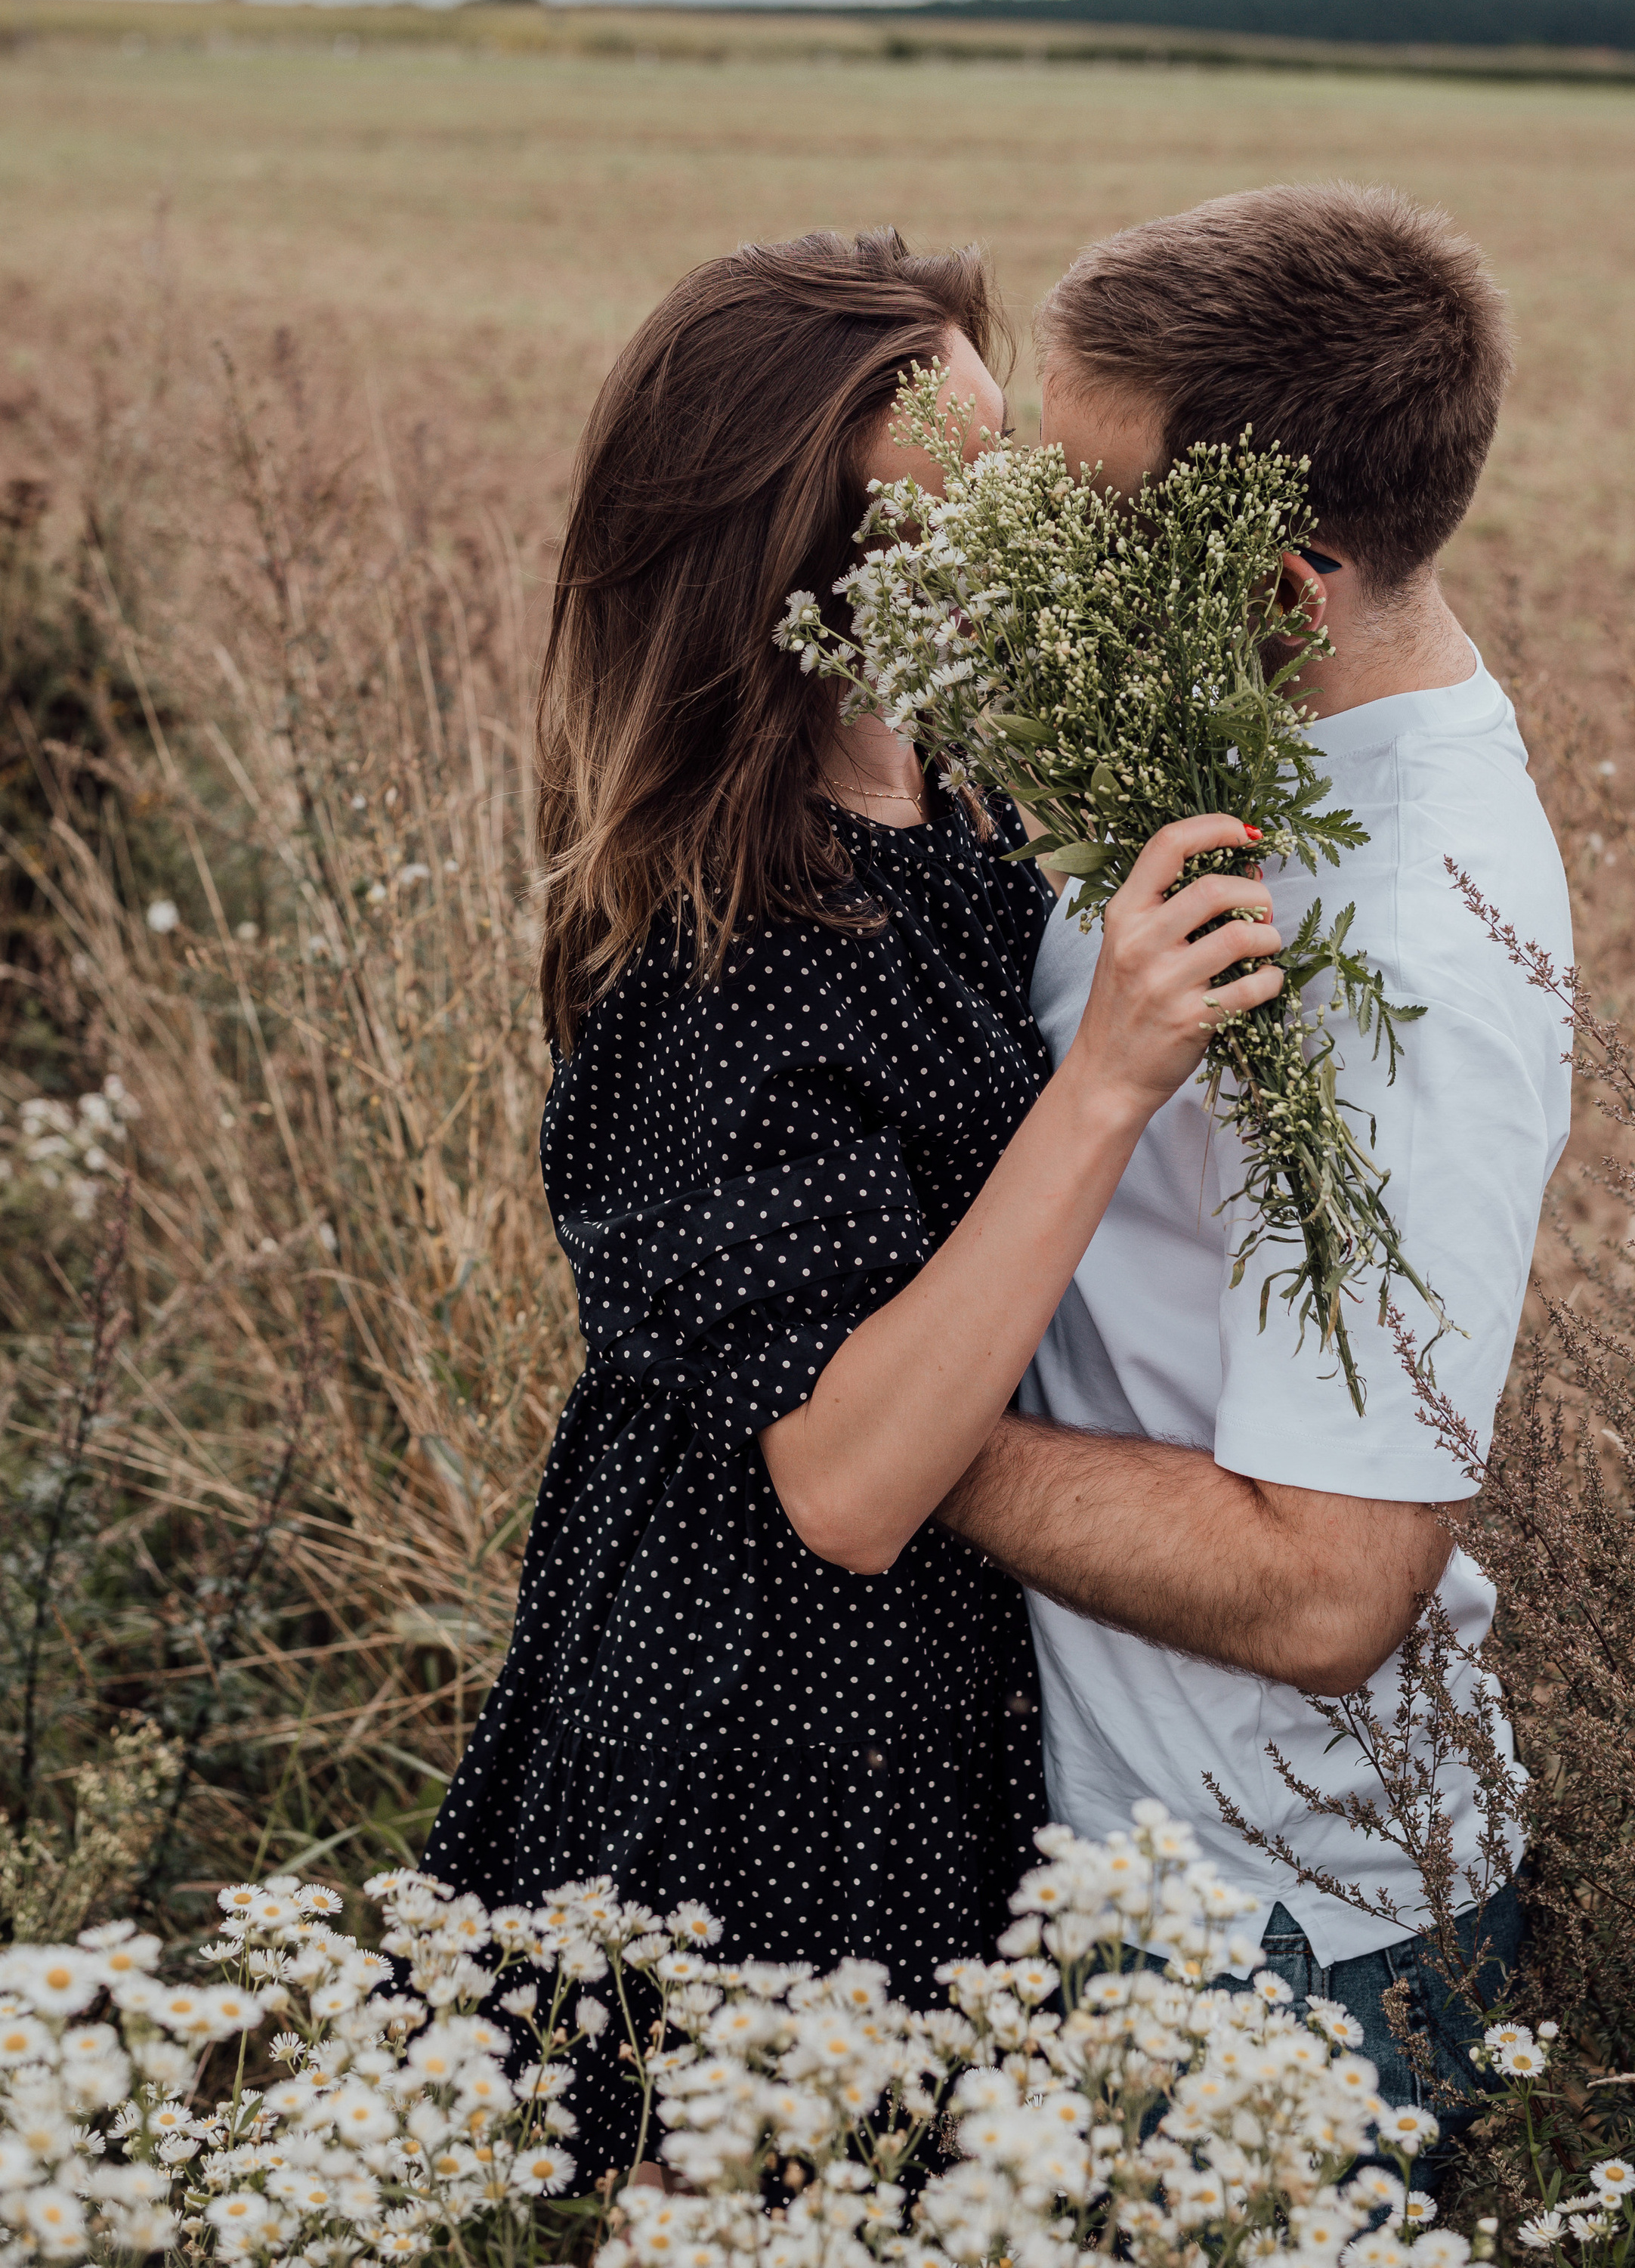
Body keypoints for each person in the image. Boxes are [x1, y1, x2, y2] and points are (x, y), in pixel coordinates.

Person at [420, 226, 1293, 2180]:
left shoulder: (956, 801)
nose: (1008, 532)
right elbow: (848, 1473)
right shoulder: (724, 950)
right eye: (945, 503)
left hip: (938, 1719)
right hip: (756, 1738)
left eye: (1012, 474)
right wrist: (1106, 1080)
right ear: (788, 571)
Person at [938, 183, 1574, 2180]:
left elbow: (1326, 1587)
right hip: (1161, 1868)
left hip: (1286, 1939)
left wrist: (855, 1423)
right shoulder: (1259, 745)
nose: (1035, 554)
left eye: (1086, 520)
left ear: (1283, 586)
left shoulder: (1409, 957)